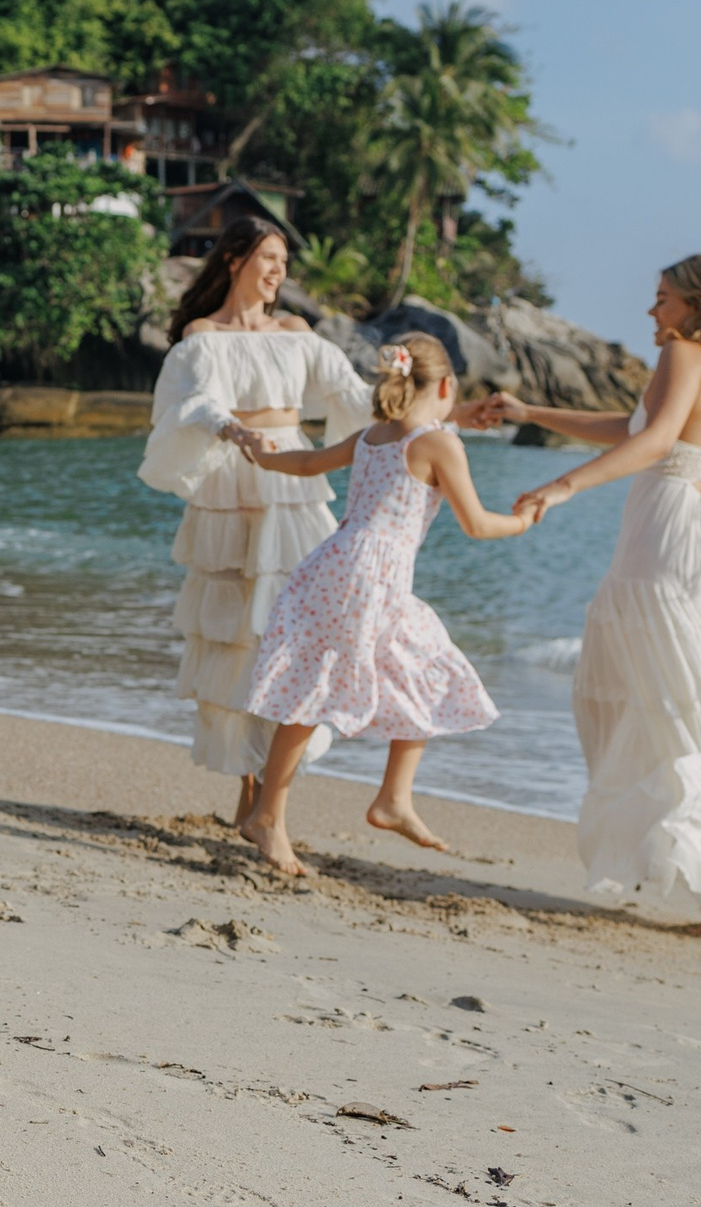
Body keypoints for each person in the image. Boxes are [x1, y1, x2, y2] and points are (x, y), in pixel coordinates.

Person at [465, 254, 701, 950]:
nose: (653, 313)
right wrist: (532, 413)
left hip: (672, 530)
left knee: (664, 694)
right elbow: (640, 429)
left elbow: (652, 442)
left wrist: (560, 487)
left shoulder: (685, 352)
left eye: (663, 299)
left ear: (697, 304)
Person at [227, 335, 533, 875]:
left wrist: (264, 458)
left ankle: (391, 799)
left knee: (416, 666)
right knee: (326, 688)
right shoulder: (439, 444)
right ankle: (269, 817)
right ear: (444, 386)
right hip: (370, 577)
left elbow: (309, 463)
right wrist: (524, 521)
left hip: (339, 563)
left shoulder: (374, 436)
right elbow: (477, 524)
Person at [140, 218, 372, 825]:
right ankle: (252, 798)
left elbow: (353, 396)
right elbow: (196, 399)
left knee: (306, 624)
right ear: (234, 260)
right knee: (239, 638)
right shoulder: (202, 334)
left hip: (293, 484)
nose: (279, 271)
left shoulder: (297, 332)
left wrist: (419, 405)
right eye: (269, 257)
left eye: (285, 261)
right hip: (232, 483)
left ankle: (270, 795)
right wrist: (232, 429)